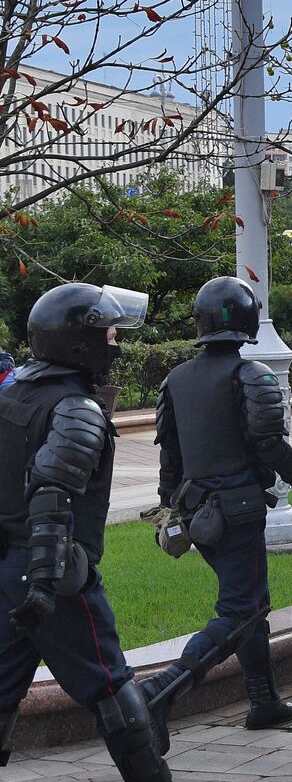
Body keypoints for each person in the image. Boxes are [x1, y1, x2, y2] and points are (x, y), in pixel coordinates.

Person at [140, 278, 292, 742]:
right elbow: (271, 447)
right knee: (241, 610)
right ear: (246, 322)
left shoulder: (175, 380)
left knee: (249, 605)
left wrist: (170, 510)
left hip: (199, 513)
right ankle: (162, 690)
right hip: (239, 510)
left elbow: (170, 458)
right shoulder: (253, 375)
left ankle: (263, 700)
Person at [0, 282, 173, 780]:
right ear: (80, 343)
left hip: (10, 567)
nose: (115, 342)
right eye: (109, 333)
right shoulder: (75, 408)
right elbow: (51, 494)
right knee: (111, 686)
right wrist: (45, 580)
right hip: (49, 569)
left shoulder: (12, 394)